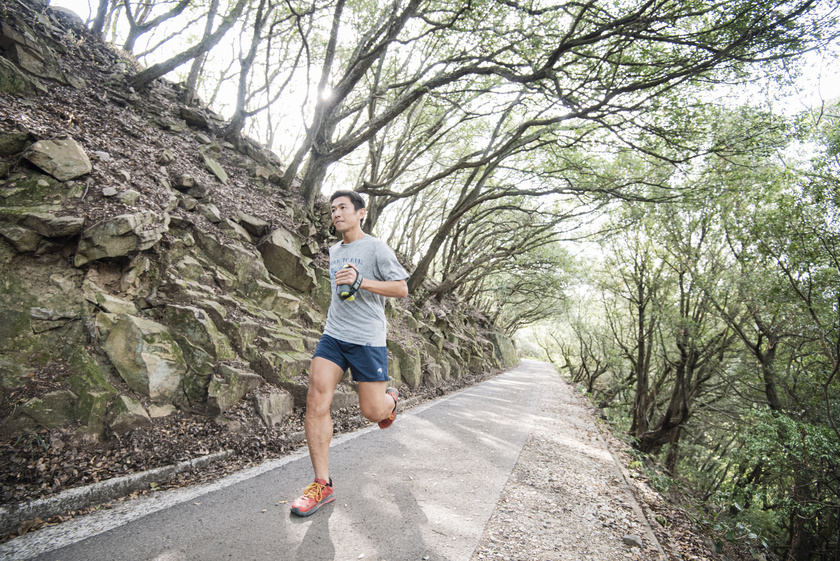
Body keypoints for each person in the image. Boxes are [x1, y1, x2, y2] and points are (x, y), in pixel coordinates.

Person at [290, 190, 409, 517]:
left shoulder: (376, 248)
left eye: (343, 207)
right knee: (316, 398)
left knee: (373, 413)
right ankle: (321, 484)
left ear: (361, 213)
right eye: (332, 209)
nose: (336, 213)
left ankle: (391, 401)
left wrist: (362, 282)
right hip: (334, 336)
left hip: (368, 340)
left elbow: (401, 288)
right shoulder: (333, 250)